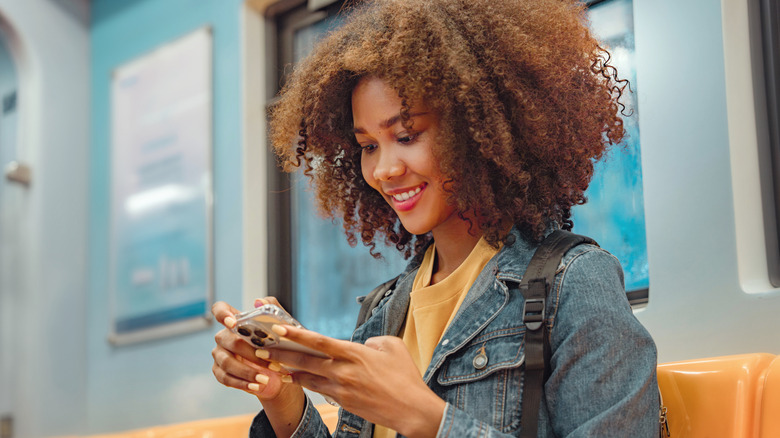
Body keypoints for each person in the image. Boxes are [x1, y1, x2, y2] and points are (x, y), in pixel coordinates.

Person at [211, 0, 659, 436]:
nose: (384, 169)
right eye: (369, 146)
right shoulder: (383, 310)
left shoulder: (574, 284)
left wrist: (425, 418)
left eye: (406, 136)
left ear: (476, 129)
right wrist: (283, 397)